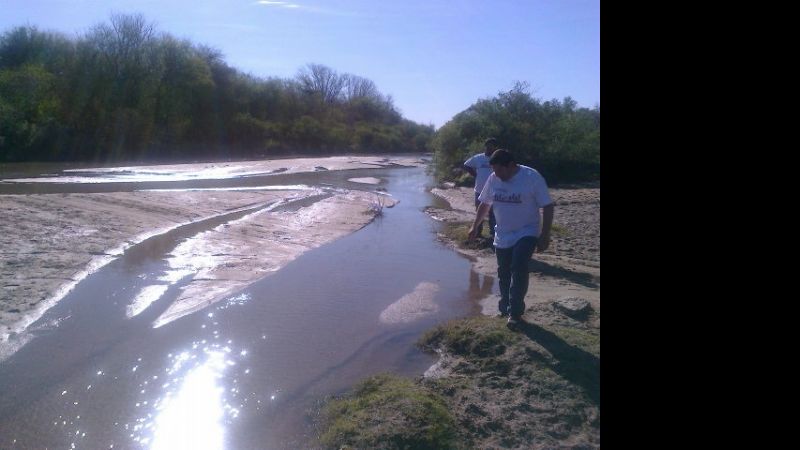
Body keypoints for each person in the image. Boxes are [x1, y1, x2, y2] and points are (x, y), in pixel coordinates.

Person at [467, 149, 554, 327]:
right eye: (494, 171)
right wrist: (474, 226)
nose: (497, 175)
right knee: (504, 272)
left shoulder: (531, 177)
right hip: (503, 234)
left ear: (511, 165)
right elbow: (485, 203)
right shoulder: (493, 178)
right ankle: (504, 307)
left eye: (500, 171)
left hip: (526, 231)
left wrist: (545, 234)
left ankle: (515, 313)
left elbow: (547, 205)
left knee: (519, 266)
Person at [463, 138, 499, 239]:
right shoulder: (478, 158)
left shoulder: (498, 159)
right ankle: (478, 233)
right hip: (479, 190)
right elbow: (466, 165)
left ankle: (493, 234)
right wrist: (475, 174)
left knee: (493, 213)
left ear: (495, 147)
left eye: (492, 145)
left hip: (494, 191)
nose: (490, 147)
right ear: (485, 146)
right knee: (480, 212)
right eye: (488, 145)